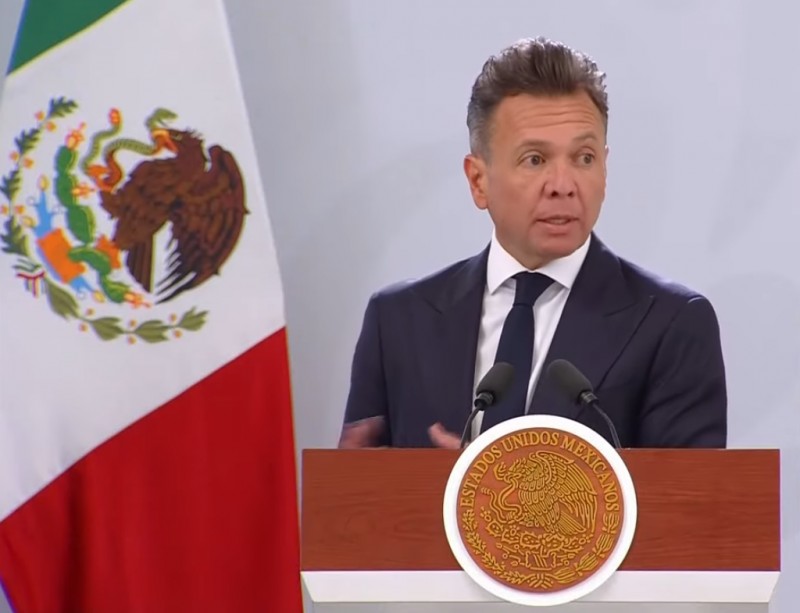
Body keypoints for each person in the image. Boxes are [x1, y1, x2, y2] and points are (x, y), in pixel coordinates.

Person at [338, 37, 727, 450]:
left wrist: (486, 481)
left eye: (584, 158)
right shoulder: (398, 322)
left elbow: (688, 491)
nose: (563, 185)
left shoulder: (671, 324)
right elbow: (355, 487)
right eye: (535, 160)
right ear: (478, 181)